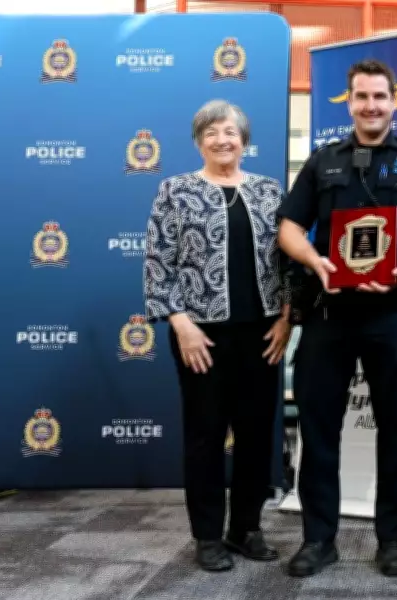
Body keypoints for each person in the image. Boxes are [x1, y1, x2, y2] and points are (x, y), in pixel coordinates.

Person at [277, 59, 397, 578]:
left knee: (396, 431)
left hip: (394, 313)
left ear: (394, 102)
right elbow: (289, 227)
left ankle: (393, 540)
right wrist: (315, 261)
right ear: (350, 102)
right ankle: (318, 540)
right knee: (319, 432)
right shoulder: (323, 162)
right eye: (361, 96)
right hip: (329, 313)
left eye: (380, 96)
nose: (371, 105)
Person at [143, 99, 292, 572]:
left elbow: (287, 261)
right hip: (200, 336)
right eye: (211, 133)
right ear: (198, 142)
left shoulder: (270, 191)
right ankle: (207, 535)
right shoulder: (175, 190)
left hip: (262, 333)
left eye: (230, 132)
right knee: (205, 435)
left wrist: (287, 318)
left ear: (244, 140)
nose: (222, 140)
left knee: (256, 435)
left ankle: (246, 528)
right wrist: (179, 322)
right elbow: (158, 261)